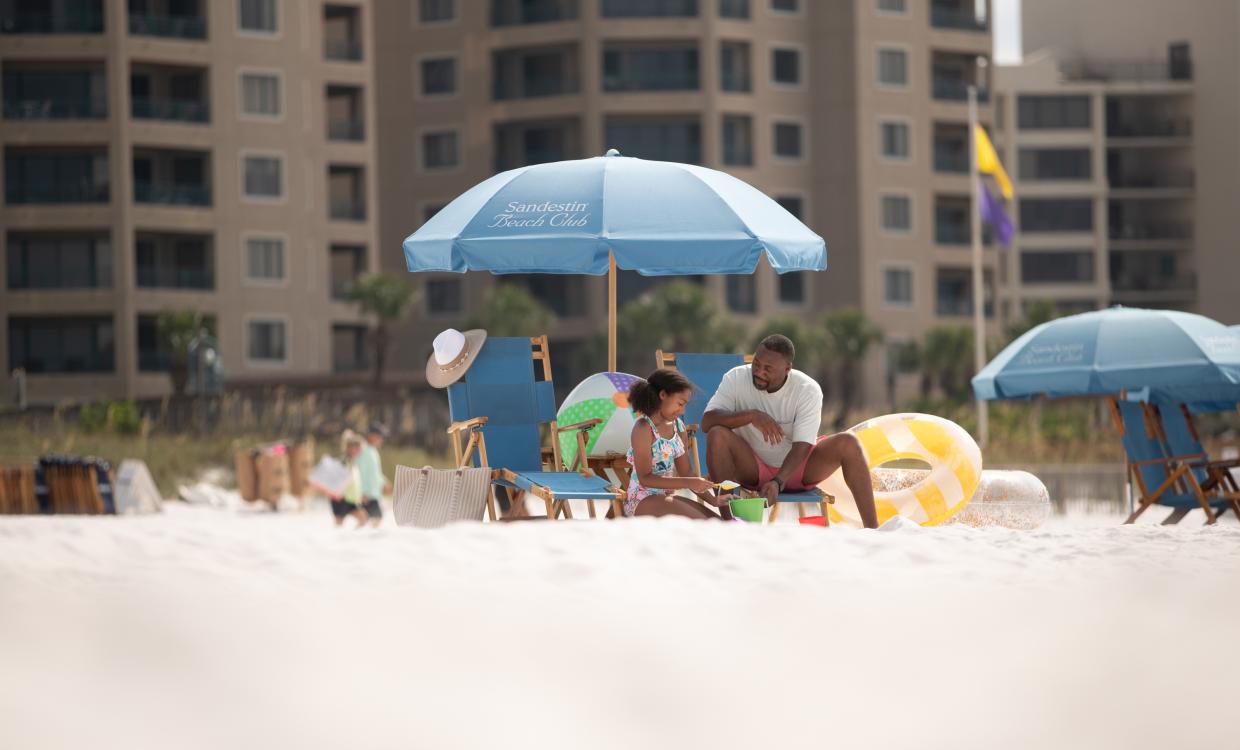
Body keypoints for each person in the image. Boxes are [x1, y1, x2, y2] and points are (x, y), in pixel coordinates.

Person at [701, 334, 879, 528]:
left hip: (798, 469)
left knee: (849, 442)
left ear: (787, 369)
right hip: (752, 468)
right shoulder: (735, 378)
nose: (759, 372)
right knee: (717, 434)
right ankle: (729, 523)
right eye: (756, 363)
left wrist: (779, 481)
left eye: (768, 369)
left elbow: (803, 445)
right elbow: (707, 422)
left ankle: (872, 529)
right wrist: (751, 416)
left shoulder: (807, 389)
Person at [625, 369, 730, 519]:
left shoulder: (678, 427)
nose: (682, 411)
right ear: (662, 395)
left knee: (717, 522)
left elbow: (686, 472)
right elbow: (645, 478)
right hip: (641, 500)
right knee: (703, 522)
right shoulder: (644, 428)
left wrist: (713, 500)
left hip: (664, 497)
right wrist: (690, 482)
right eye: (680, 403)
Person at [330, 431, 371, 529]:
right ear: (350, 448)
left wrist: (360, 496)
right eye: (358, 448)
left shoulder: (353, 462)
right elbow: (338, 479)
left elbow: (354, 483)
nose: (360, 451)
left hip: (351, 499)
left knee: (364, 519)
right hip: (341, 499)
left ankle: (352, 539)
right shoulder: (343, 461)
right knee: (339, 525)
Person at [356, 421, 389, 528]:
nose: (381, 440)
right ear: (371, 435)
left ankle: (356, 538)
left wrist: (384, 482)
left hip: (374, 493)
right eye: (379, 436)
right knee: (376, 518)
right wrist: (362, 492)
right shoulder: (363, 451)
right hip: (367, 494)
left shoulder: (373, 451)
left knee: (366, 520)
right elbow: (359, 473)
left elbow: (375, 473)